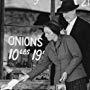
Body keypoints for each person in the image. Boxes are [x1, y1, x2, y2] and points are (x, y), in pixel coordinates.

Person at [19, 20, 87, 90]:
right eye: (45, 33)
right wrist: (28, 76)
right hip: (60, 81)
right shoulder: (49, 47)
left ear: (55, 32)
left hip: (75, 79)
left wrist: (67, 71)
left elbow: (77, 56)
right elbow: (42, 64)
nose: (45, 35)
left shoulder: (68, 39)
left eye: (48, 33)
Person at [57, 0, 90, 83]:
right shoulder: (63, 26)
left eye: (67, 12)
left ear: (74, 10)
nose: (64, 15)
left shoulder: (85, 27)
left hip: (80, 74)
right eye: (63, 13)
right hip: (64, 74)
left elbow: (87, 53)